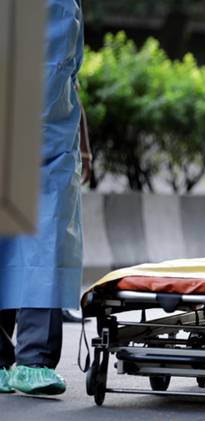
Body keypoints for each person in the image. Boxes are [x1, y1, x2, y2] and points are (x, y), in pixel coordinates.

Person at [0, 0, 89, 396]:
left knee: (42, 246)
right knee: (35, 245)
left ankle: (28, 361)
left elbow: (68, 73)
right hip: (32, 139)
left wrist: (83, 142)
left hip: (49, 143)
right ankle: (23, 361)